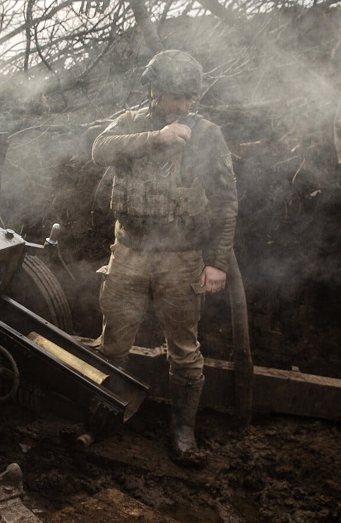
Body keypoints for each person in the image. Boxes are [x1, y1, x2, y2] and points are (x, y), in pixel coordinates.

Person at [91, 50, 238, 463]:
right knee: (113, 344)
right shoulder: (130, 124)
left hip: (182, 257)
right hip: (130, 252)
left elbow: (226, 200)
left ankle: (183, 432)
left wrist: (217, 262)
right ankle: (104, 415)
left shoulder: (207, 134)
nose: (184, 105)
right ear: (153, 92)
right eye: (176, 96)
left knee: (185, 350)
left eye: (189, 97)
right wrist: (157, 138)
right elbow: (98, 151)